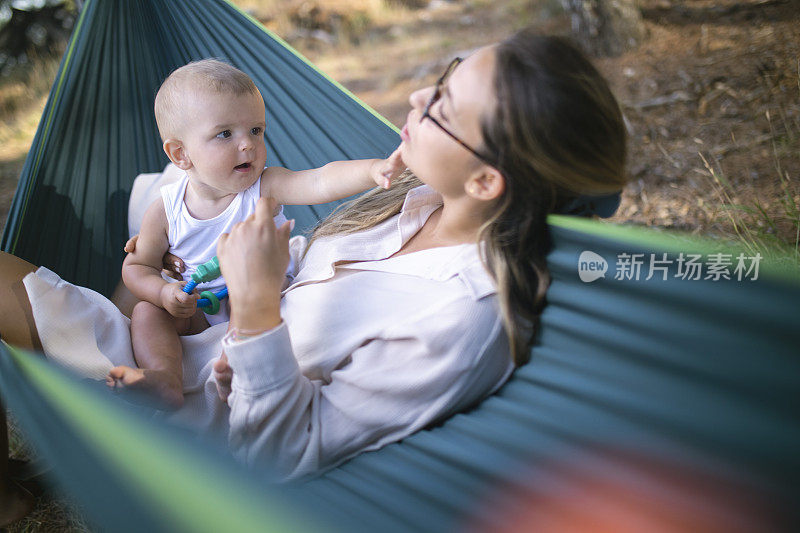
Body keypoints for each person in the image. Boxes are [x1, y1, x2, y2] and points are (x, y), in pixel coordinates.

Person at [0, 29, 627, 525]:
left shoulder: (456, 320)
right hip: (181, 342)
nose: (416, 98)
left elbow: (275, 461)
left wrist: (252, 312)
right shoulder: (412, 205)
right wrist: (203, 275)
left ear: (487, 182)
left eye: (444, 105)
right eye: (440, 78)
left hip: (189, 429)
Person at [112, 59, 403, 409]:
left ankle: (241, 368)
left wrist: (373, 170)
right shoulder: (165, 210)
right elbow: (137, 267)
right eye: (225, 134)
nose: (248, 144)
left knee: (243, 295)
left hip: (259, 302)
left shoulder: (263, 186)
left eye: (256, 130)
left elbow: (319, 179)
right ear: (180, 154)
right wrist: (163, 293)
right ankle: (164, 378)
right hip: (198, 310)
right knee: (146, 313)